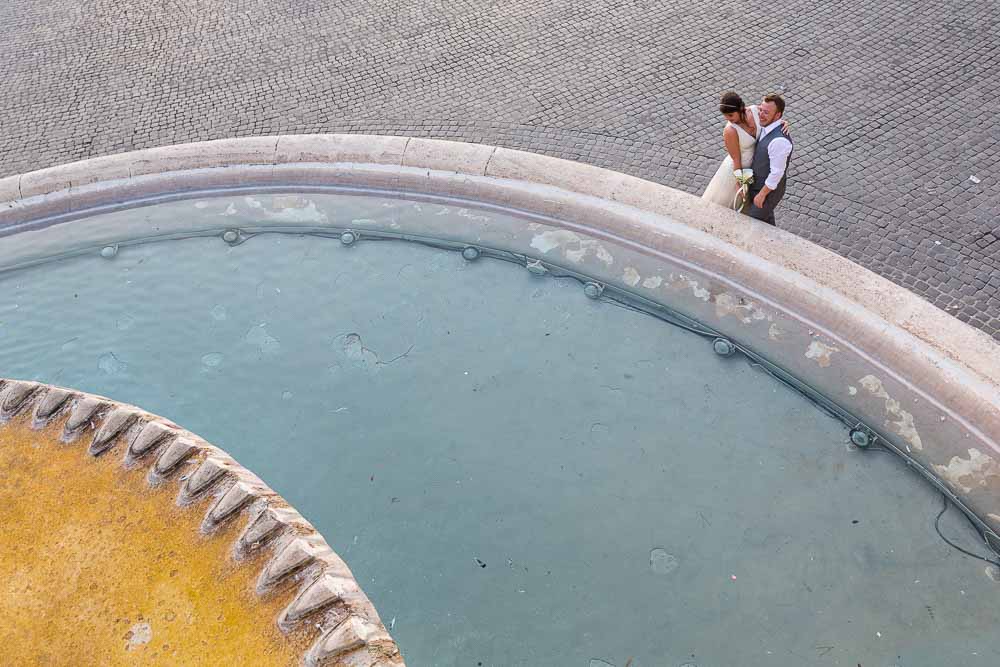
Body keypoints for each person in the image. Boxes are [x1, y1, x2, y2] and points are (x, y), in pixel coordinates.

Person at [700, 92, 789, 215]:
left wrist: (782, 123)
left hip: (754, 168)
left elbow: (770, 117)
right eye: (726, 116)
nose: (728, 120)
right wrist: (739, 183)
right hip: (739, 171)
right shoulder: (730, 130)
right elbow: (736, 160)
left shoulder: (755, 111)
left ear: (741, 109)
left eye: (731, 115)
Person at [745, 94, 792, 226]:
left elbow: (777, 173)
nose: (760, 114)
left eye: (766, 112)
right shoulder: (767, 125)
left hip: (768, 192)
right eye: (760, 109)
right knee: (766, 222)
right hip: (757, 185)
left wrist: (762, 195)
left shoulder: (779, 142)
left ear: (777, 116)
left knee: (752, 223)